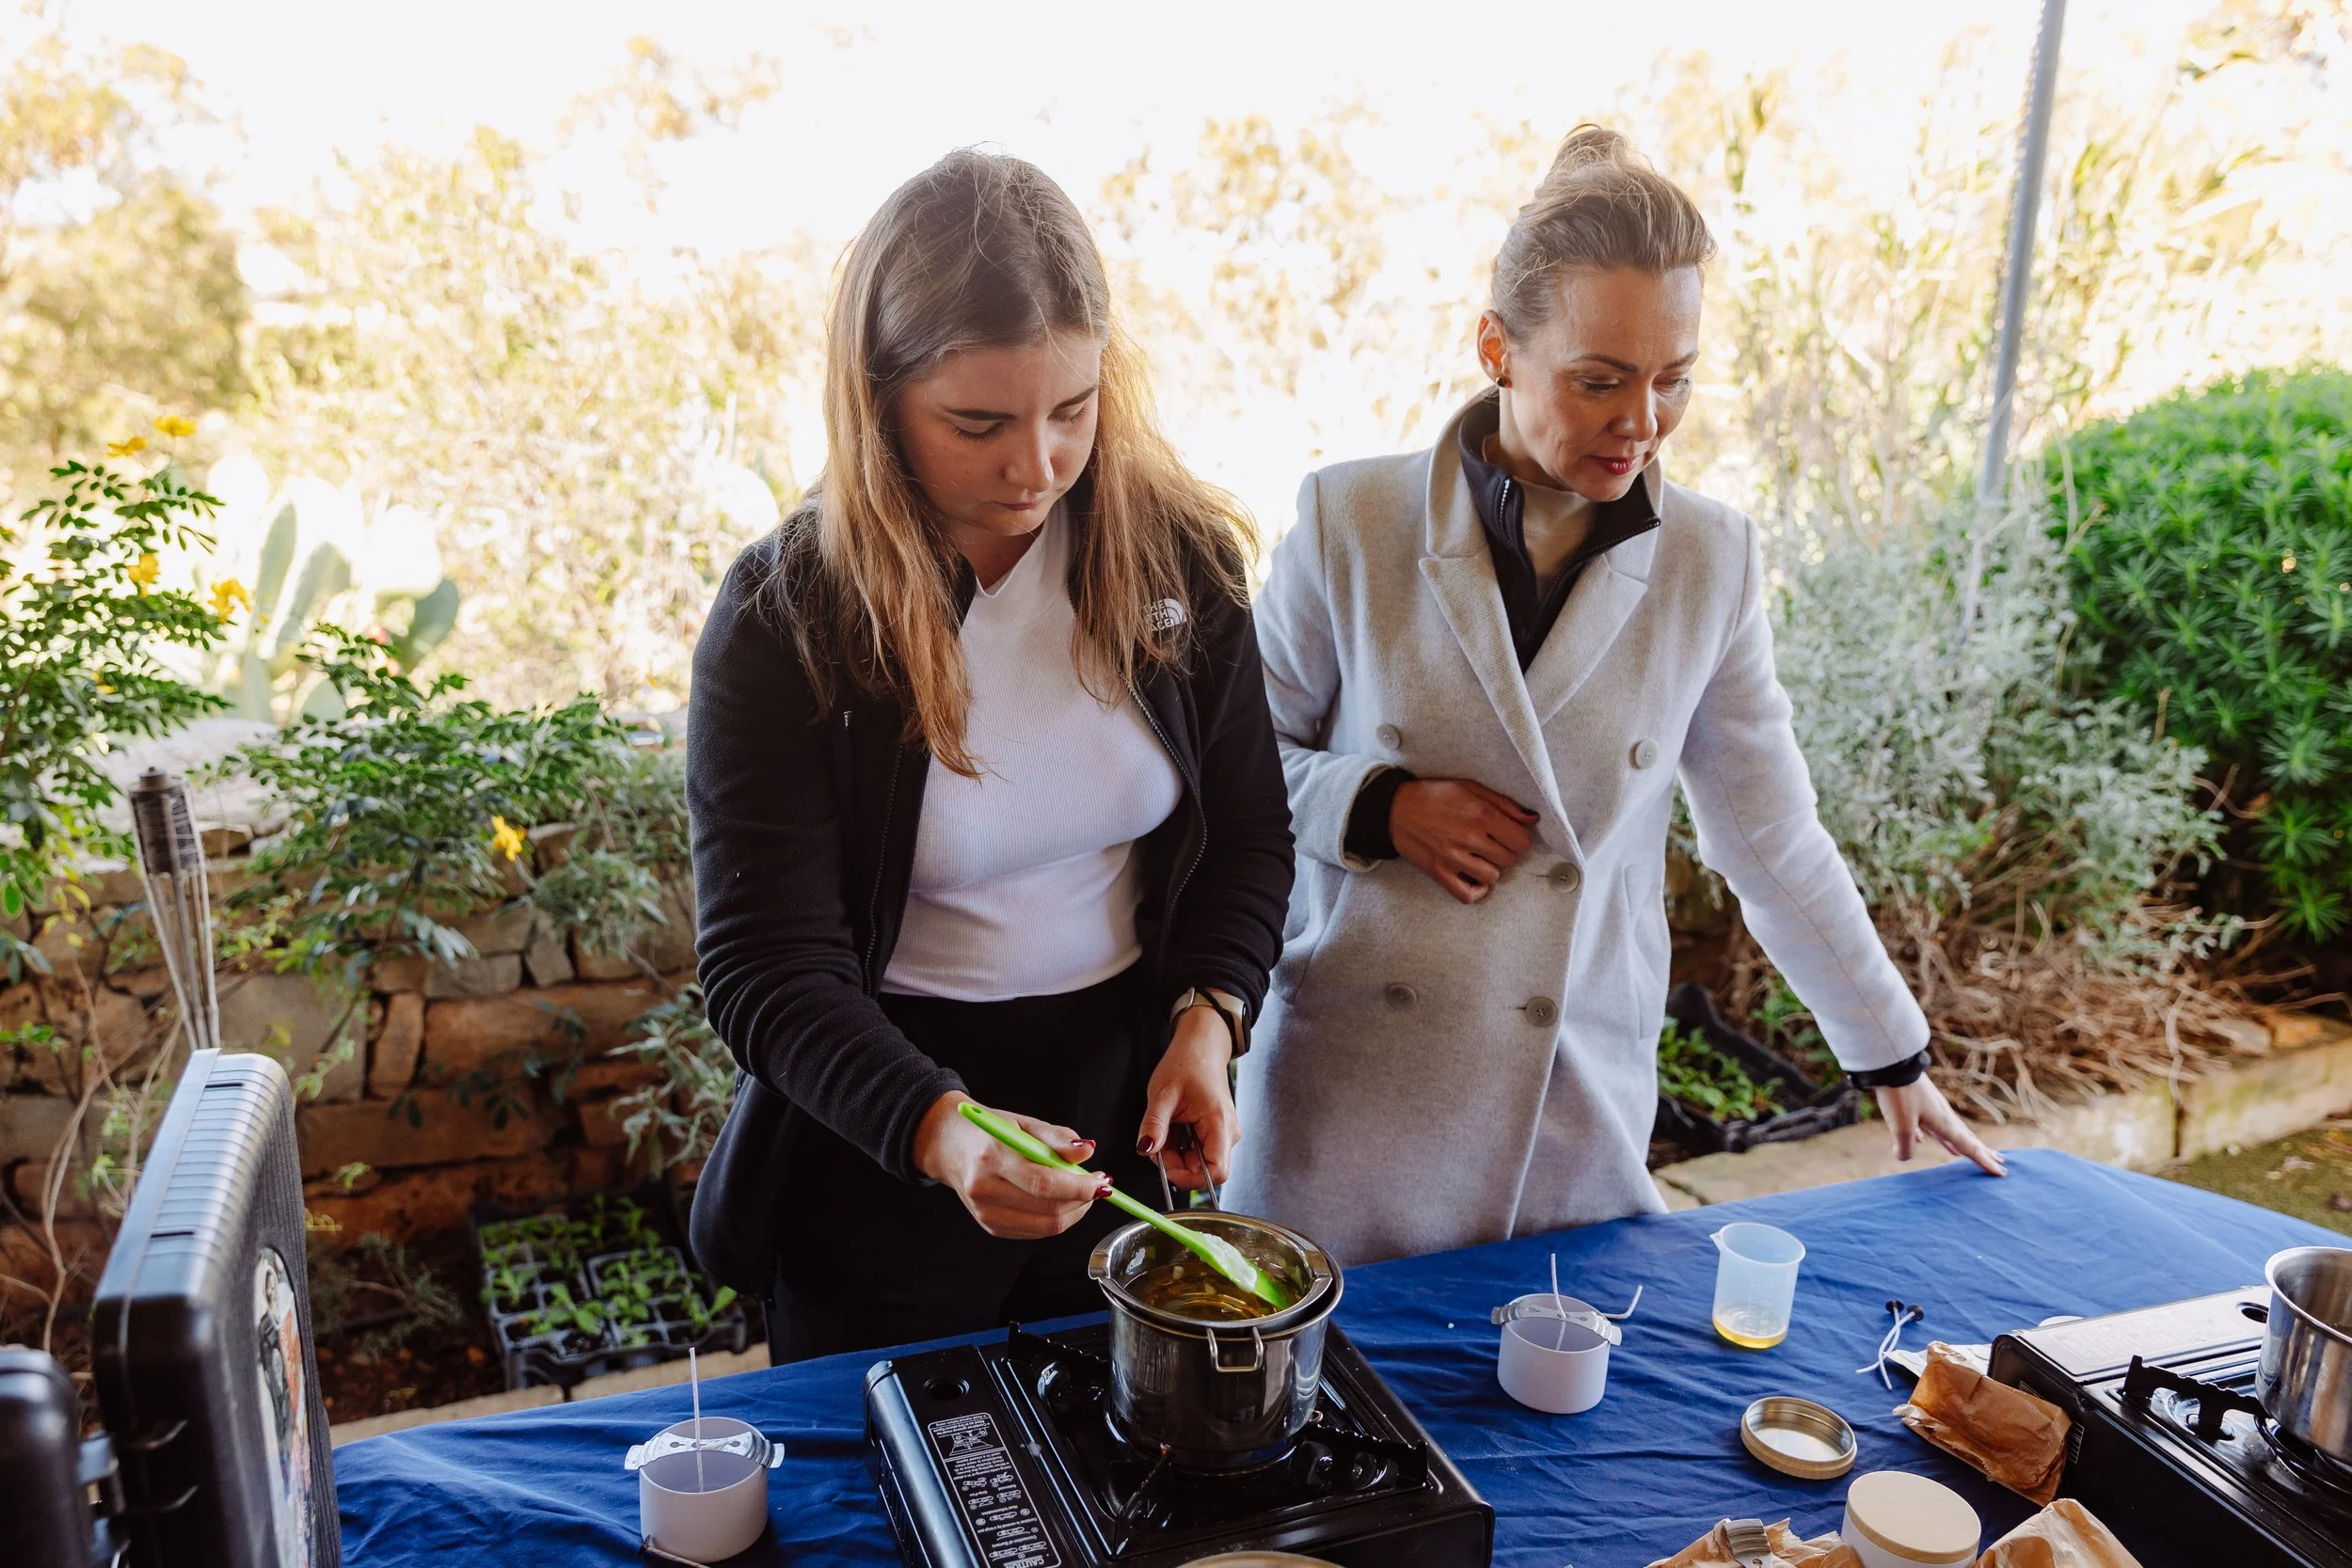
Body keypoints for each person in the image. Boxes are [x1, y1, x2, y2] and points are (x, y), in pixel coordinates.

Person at [1228, 126, 2004, 1267]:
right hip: (1348, 1100)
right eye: (1599, 379)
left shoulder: (1712, 559)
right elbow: (1232, 771)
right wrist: (1375, 803)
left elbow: (1768, 830)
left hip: (1571, 1104)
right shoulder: (1351, 522)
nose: (1640, 421)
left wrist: (1892, 1054)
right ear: (1497, 346)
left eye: (1673, 379)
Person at [684, 150, 1293, 1360]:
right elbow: (766, 962)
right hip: (882, 1133)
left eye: (1072, 411)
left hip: (1120, 1104)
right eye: (978, 423)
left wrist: (1209, 1017)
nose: (1035, 467)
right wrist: (939, 1128)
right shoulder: (786, 616)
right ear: (877, 399)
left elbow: (1246, 838)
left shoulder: (1179, 563)